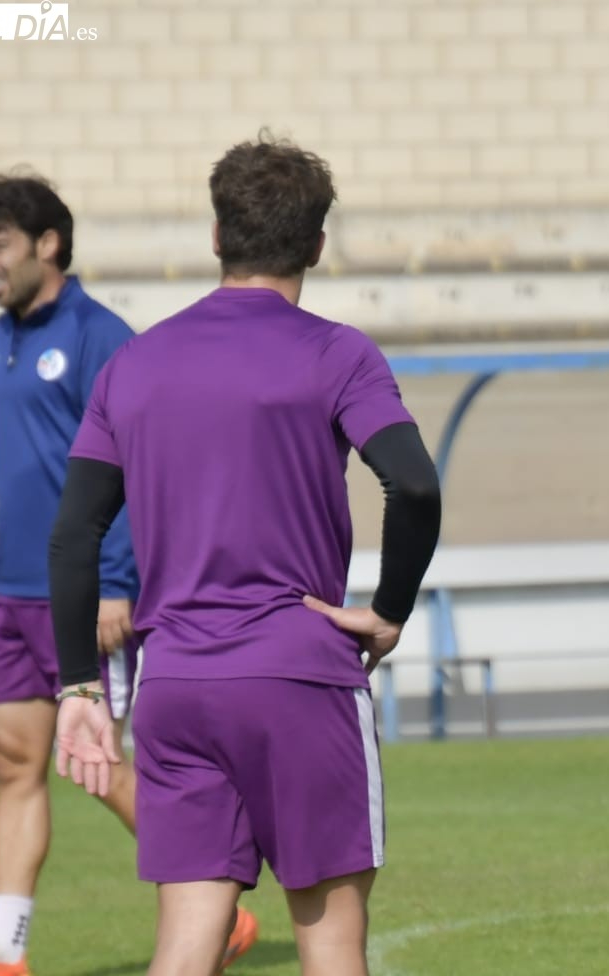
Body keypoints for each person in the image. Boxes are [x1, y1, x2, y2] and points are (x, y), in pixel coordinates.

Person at [47, 134, 442, 976]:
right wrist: (390, 610)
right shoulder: (338, 353)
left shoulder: (133, 363)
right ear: (317, 246)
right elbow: (413, 487)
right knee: (331, 950)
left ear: (218, 236)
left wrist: (80, 681)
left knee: (185, 951)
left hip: (176, 686)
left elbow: (75, 531)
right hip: (299, 679)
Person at [0, 174, 257, 976]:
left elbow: (133, 468)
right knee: (16, 764)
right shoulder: (0, 335)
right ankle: (0, 953)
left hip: (84, 595)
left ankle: (216, 909)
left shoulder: (100, 337)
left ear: (47, 244)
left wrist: (116, 579)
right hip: (11, 589)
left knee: (102, 765)